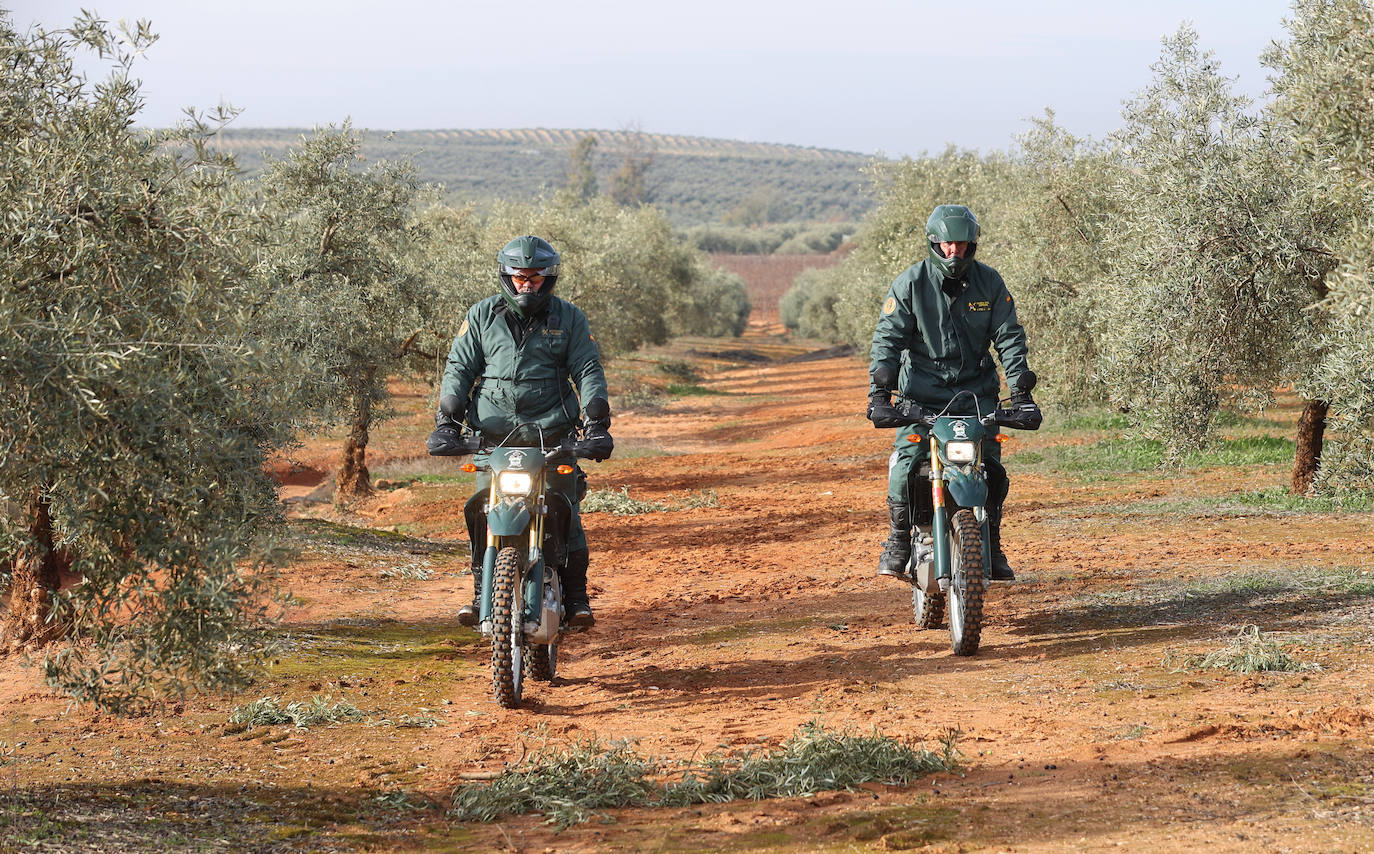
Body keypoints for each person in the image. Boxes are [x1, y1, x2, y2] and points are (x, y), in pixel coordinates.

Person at [427, 235, 612, 627]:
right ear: (506, 276)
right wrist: (447, 421)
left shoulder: (569, 319)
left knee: (566, 513)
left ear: (549, 278)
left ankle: (577, 596)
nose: (527, 285)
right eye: (519, 277)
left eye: (535, 278)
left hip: (552, 437)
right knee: (481, 511)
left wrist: (596, 422)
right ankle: (482, 590)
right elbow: (459, 369)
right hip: (492, 440)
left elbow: (588, 369)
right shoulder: (481, 316)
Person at [866, 204, 1038, 581]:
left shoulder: (989, 283)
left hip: (978, 397)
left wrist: (1021, 391)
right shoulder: (910, 284)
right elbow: (888, 341)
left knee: (990, 467)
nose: (953, 252)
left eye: (960, 244)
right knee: (907, 461)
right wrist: (880, 392)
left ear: (971, 244)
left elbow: (1009, 338)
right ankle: (897, 539)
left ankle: (990, 542)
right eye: (946, 244)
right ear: (933, 243)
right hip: (922, 397)